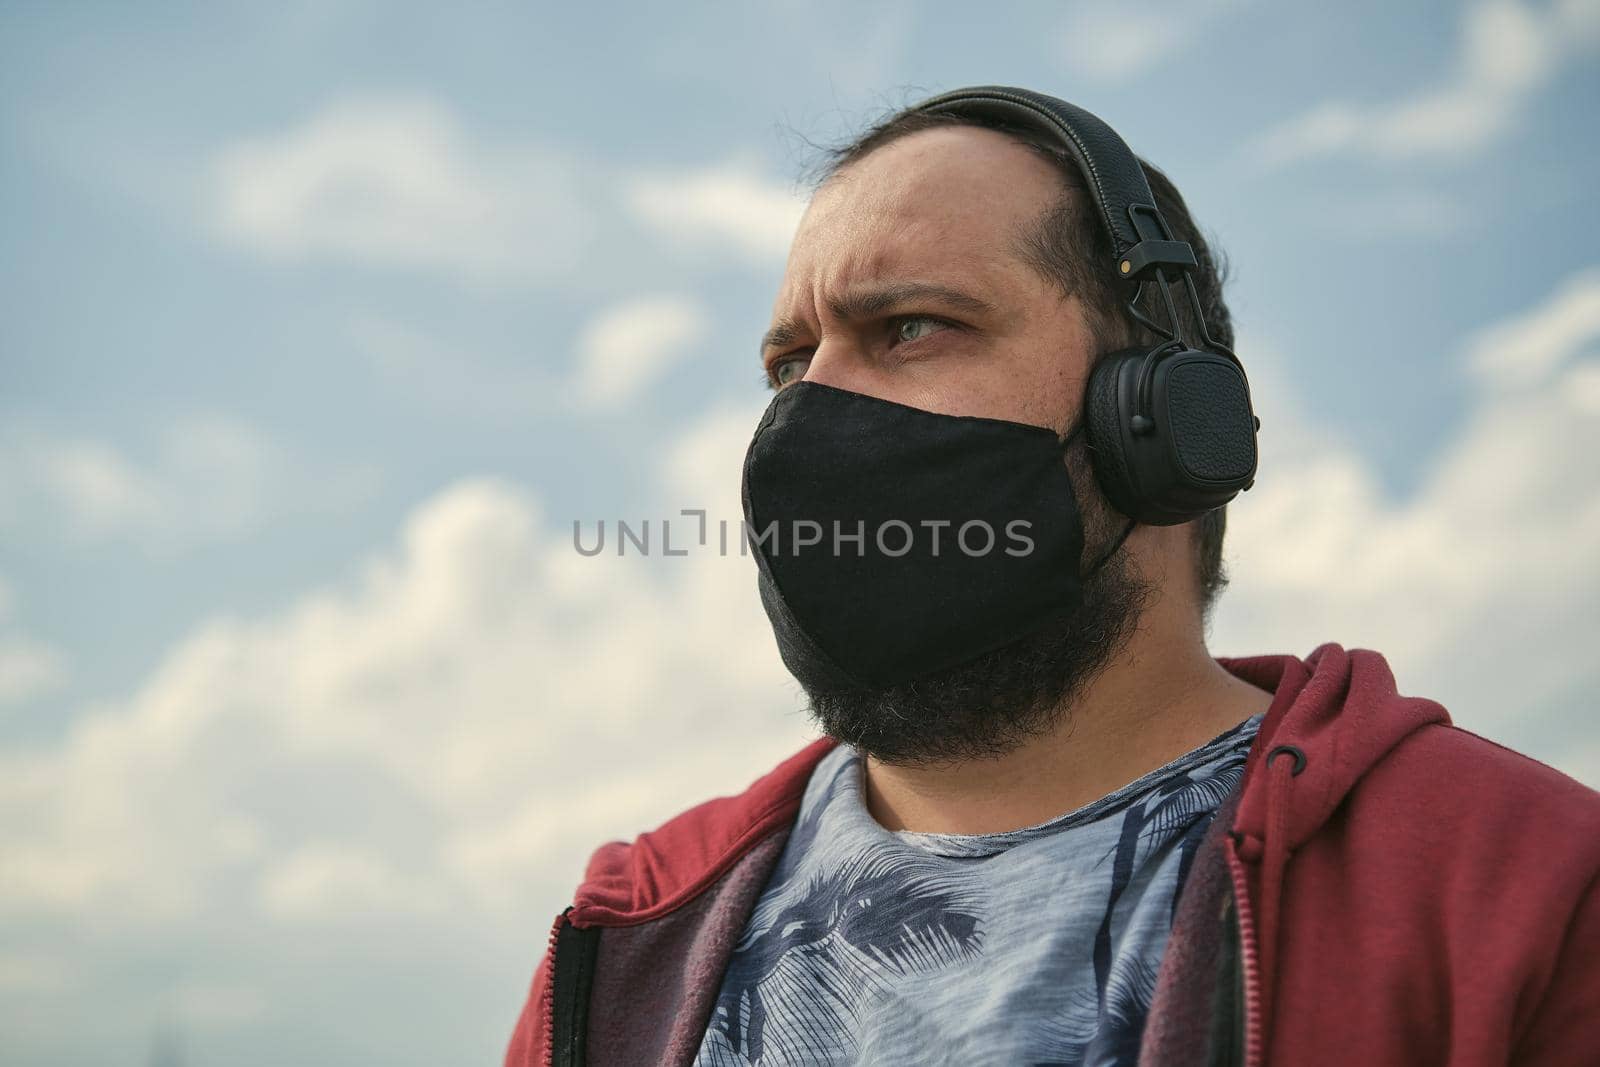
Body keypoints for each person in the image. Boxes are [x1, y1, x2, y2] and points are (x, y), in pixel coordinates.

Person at [505, 87, 1600, 1067]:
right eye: (789, 365)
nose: (801, 419)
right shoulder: (625, 938)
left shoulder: (1523, 885)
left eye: (910, 326)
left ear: (1163, 419)